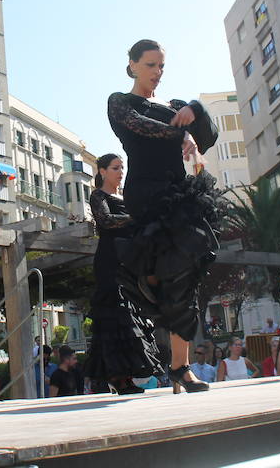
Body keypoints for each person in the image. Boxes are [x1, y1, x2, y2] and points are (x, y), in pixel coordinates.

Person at [107, 39, 222, 394]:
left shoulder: (174, 106)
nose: (157, 73)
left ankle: (180, 368)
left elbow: (211, 137)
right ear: (132, 66)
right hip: (147, 193)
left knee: (184, 277)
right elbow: (142, 128)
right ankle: (150, 290)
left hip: (181, 192)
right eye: (150, 65)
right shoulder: (120, 102)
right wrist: (181, 130)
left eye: (161, 67)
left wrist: (196, 108)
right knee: (167, 274)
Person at [83, 153, 162, 395]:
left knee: (130, 315)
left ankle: (127, 376)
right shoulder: (98, 195)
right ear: (102, 171)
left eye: (122, 168)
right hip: (109, 260)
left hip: (128, 262)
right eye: (116, 168)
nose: (121, 172)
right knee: (114, 315)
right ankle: (118, 377)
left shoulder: (125, 197)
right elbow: (105, 221)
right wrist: (136, 218)